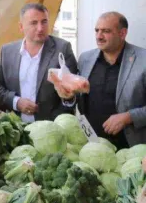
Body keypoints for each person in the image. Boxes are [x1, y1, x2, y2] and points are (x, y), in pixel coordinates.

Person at [57, 12, 146, 149]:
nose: (99, 36)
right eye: (97, 30)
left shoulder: (143, 60)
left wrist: (128, 117)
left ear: (122, 33)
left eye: (106, 31)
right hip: (90, 146)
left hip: (129, 146)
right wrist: (69, 98)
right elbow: (77, 99)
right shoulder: (85, 59)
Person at [0, 3, 77, 122]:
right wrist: (16, 102)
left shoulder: (62, 49)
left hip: (50, 128)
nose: (40, 28)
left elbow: (74, 92)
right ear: (21, 27)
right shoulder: (7, 52)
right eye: (34, 23)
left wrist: (54, 122)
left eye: (44, 22)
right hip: (15, 128)